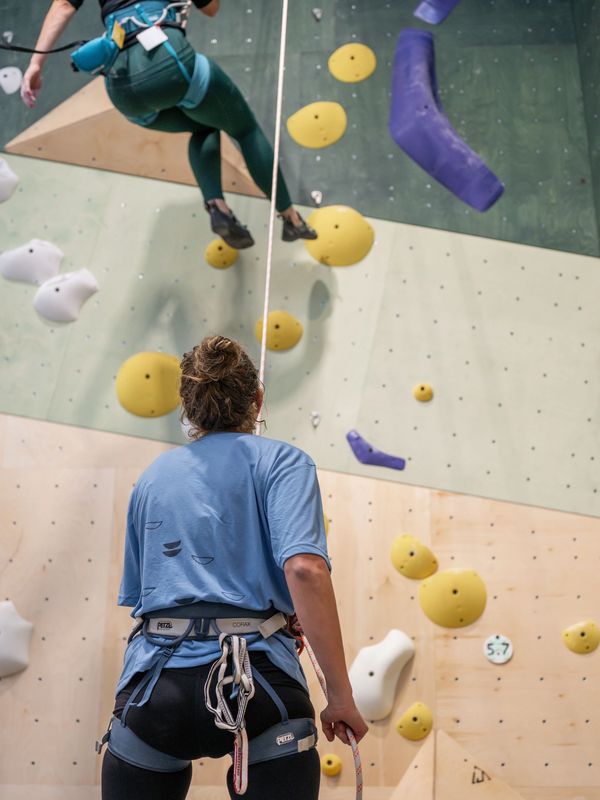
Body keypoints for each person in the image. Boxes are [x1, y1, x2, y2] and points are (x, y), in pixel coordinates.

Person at [98, 335, 368, 800]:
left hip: (157, 685)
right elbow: (304, 569)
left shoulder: (152, 478)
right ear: (257, 398)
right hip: (259, 680)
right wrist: (340, 698)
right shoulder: (283, 462)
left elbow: (145, 596)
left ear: (187, 407)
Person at [21, 0, 317, 249]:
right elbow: (211, 8)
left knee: (204, 126)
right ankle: (290, 217)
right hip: (167, 62)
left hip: (123, 89)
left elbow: (62, 5)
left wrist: (35, 66)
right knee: (245, 130)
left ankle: (217, 207)